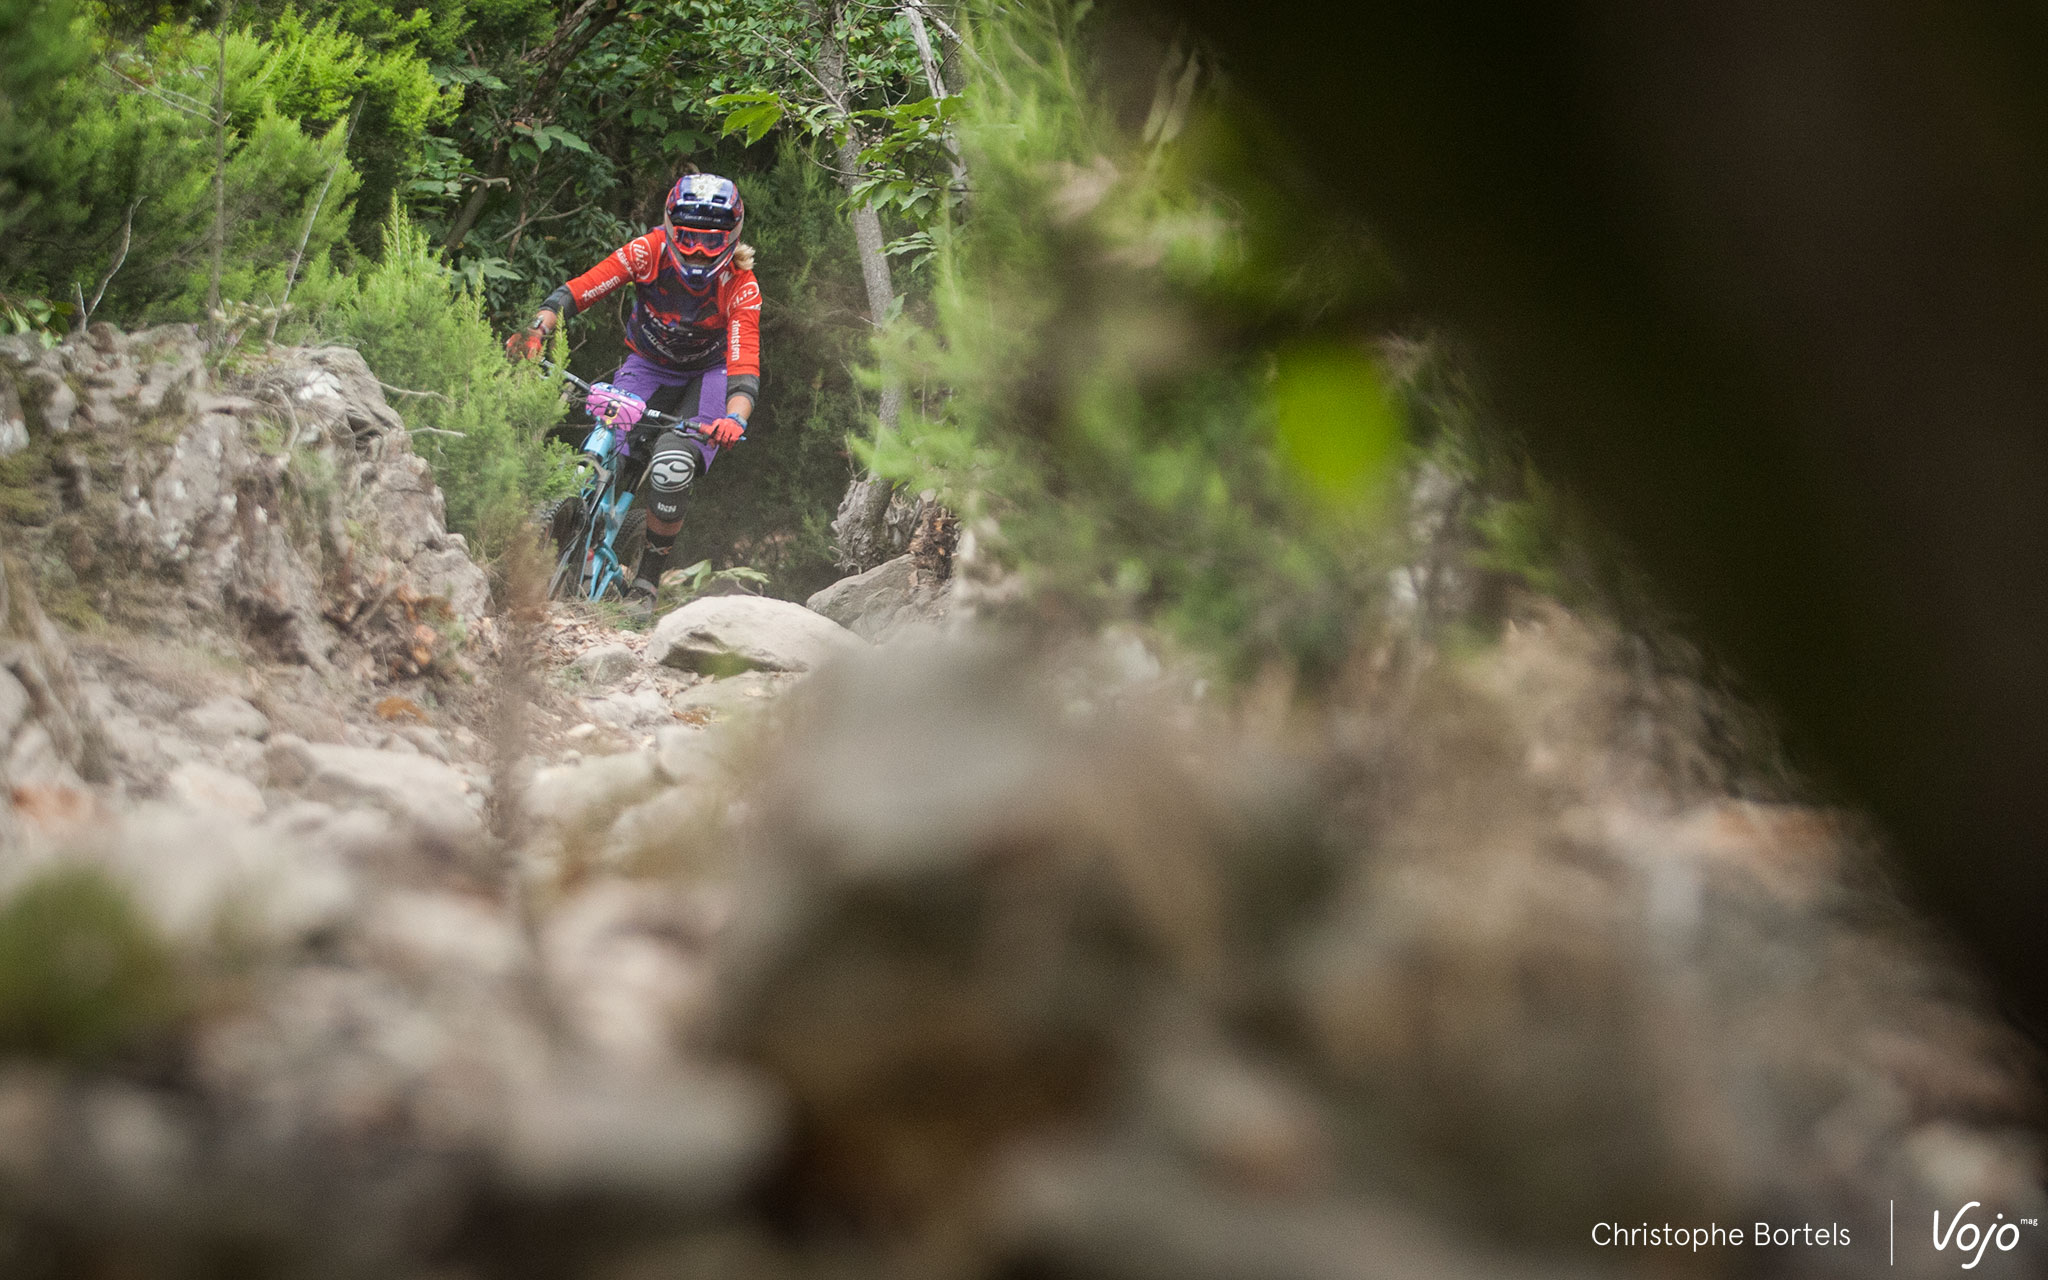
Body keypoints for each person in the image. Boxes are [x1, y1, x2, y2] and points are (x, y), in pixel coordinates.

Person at [507, 172, 761, 617]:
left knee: (672, 467)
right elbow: (584, 288)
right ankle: (563, 534)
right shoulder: (648, 251)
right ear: (669, 227)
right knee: (603, 444)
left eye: (710, 240)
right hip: (647, 365)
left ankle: (645, 583)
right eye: (687, 237)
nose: (698, 250)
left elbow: (744, 363)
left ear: (732, 236)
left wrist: (734, 418)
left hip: (709, 376)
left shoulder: (741, 284)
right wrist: (538, 327)